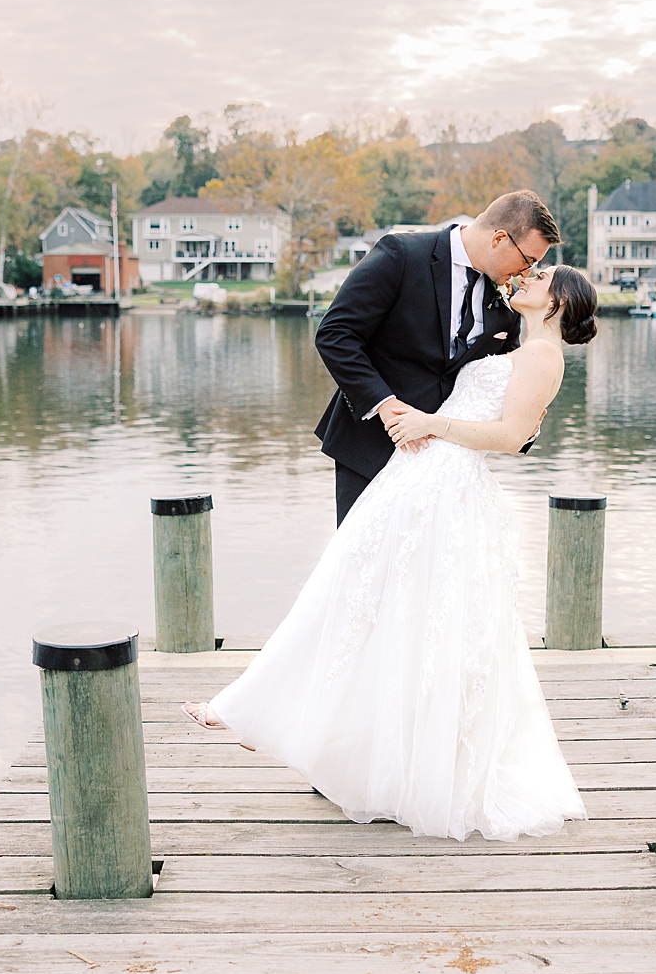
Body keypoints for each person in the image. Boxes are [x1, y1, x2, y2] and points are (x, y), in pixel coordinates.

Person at [185, 264, 602, 842]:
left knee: (416, 616)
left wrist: (432, 421)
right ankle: (282, 717)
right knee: (360, 598)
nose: (527, 278)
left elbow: (511, 438)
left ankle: (284, 719)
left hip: (448, 488)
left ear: (559, 302)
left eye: (542, 276)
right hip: (421, 478)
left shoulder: (542, 357)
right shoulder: (515, 339)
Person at [313, 191, 561, 526]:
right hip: (370, 448)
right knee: (364, 571)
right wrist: (386, 405)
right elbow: (336, 334)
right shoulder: (402, 254)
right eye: (528, 260)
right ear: (500, 238)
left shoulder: (507, 307)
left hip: (443, 469)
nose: (525, 273)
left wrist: (526, 426)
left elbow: (502, 379)